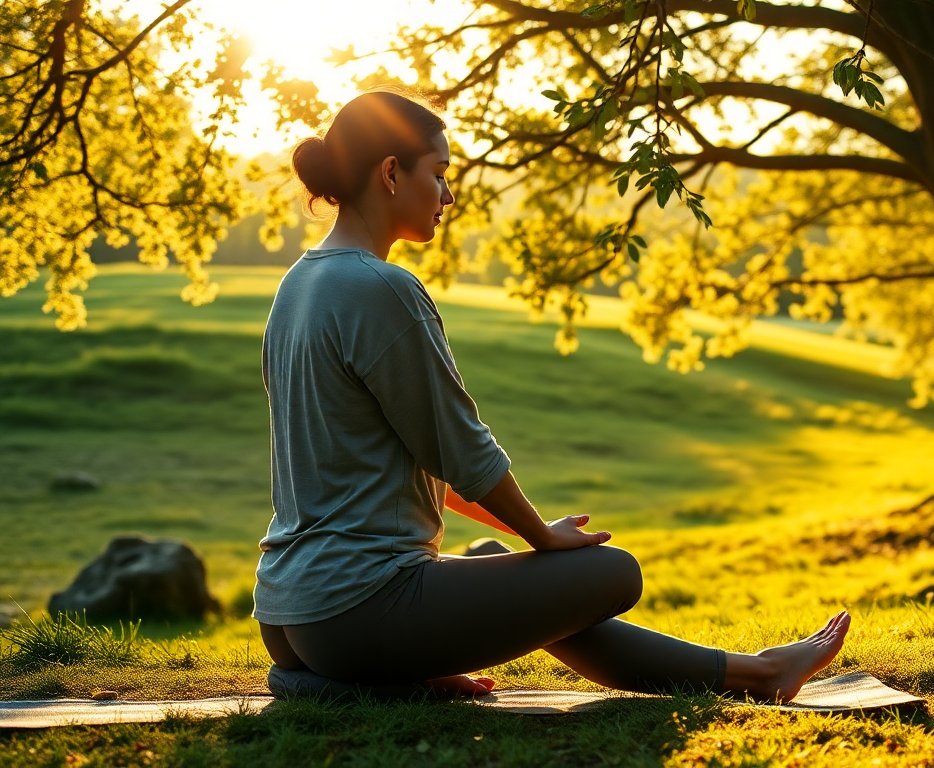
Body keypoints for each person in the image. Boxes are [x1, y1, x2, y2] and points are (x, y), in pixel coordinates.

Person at [253, 89, 850, 702]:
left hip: (289, 611)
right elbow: (460, 449)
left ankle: (756, 674)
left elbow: (421, 458)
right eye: (439, 175)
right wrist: (542, 536)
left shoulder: (298, 286)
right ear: (389, 173)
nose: (448, 196)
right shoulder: (381, 289)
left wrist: (524, 539)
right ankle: (372, 675)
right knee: (610, 574)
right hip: (360, 610)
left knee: (492, 554)